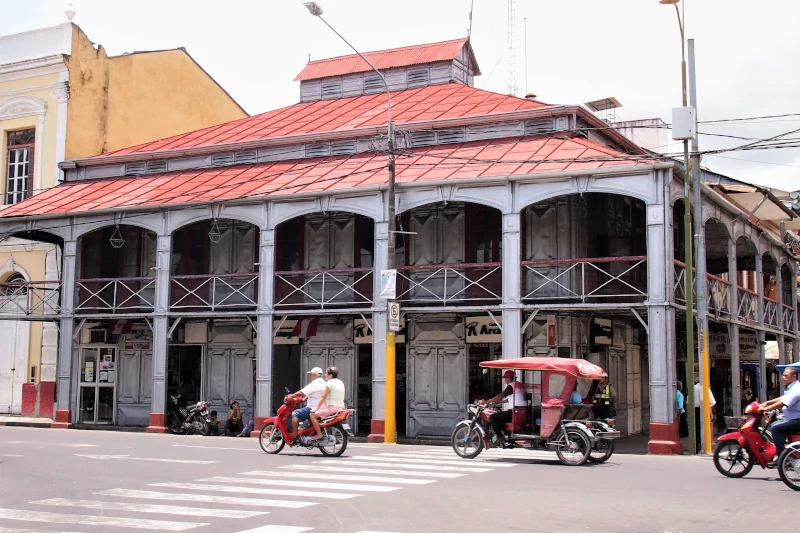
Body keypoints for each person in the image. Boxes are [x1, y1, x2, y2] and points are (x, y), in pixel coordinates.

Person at [758, 367, 800, 462]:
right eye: (783, 375)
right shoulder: (793, 387)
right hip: (794, 419)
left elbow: (783, 402)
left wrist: (765, 408)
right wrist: (767, 403)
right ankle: (784, 449)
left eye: (786, 376)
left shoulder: (796, 389)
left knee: (776, 428)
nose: (783, 378)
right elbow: (782, 398)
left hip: (797, 421)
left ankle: (782, 458)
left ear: (793, 377)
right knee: (775, 424)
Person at [479, 370, 525, 444]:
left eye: (505, 378)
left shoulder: (511, 385)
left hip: (514, 411)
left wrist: (486, 402)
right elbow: (512, 398)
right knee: (500, 416)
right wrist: (501, 402)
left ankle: (500, 436)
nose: (505, 380)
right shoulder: (518, 384)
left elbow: (500, 396)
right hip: (521, 411)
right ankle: (506, 435)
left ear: (510, 377)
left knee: (493, 417)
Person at [286, 367, 327, 440]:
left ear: (315, 375)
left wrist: (291, 396)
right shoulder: (324, 383)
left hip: (313, 408)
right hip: (322, 407)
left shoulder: (315, 383)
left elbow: (302, 392)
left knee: (295, 413)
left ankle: (296, 436)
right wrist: (306, 398)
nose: (310, 376)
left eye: (311, 374)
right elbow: (316, 393)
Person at [310, 366, 347, 441]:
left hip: (332, 407)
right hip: (341, 407)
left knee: (312, 415)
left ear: (330, 375)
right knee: (319, 409)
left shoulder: (329, 383)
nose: (324, 374)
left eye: (326, 373)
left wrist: (316, 408)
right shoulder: (340, 382)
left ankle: (319, 434)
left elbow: (323, 397)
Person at [694, 379, 716, 451]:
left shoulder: (693, 388)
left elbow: (688, 402)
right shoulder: (705, 388)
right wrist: (711, 413)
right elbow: (710, 402)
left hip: (695, 410)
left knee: (696, 429)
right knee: (703, 428)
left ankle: (696, 447)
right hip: (704, 410)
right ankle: (703, 447)